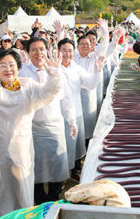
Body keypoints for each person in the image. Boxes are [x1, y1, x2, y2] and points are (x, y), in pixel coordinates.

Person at [0, 25, 63, 218]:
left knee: (20, 192)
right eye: (3, 66)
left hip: (20, 151)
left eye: (12, 65)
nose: (8, 69)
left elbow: (48, 93)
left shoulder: (27, 87)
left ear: (18, 68)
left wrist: (55, 76)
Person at [19, 37, 76, 205]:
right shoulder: (22, 73)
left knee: (56, 165)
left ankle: (53, 197)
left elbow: (66, 99)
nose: (38, 53)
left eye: (41, 49)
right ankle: (38, 198)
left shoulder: (57, 70)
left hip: (54, 125)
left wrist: (71, 119)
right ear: (28, 53)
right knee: (34, 164)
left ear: (47, 50)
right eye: (34, 50)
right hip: (31, 128)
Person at [58, 38, 104, 181]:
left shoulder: (77, 68)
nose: (67, 53)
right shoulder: (53, 68)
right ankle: (61, 175)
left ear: (74, 51)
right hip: (58, 115)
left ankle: (75, 170)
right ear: (58, 51)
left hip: (76, 111)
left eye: (70, 50)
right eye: (64, 50)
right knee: (61, 147)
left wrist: (97, 71)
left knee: (76, 144)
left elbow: (90, 84)